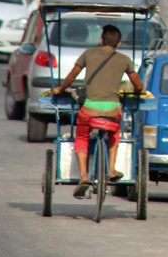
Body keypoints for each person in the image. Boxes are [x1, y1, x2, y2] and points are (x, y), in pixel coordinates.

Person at [51, 24, 144, 198]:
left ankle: (84, 176)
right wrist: (139, 91)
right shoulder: (124, 59)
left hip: (90, 110)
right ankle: (112, 169)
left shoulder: (88, 54)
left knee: (82, 136)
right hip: (112, 112)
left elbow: (71, 77)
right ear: (119, 43)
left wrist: (61, 88)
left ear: (101, 40)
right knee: (115, 132)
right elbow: (138, 84)